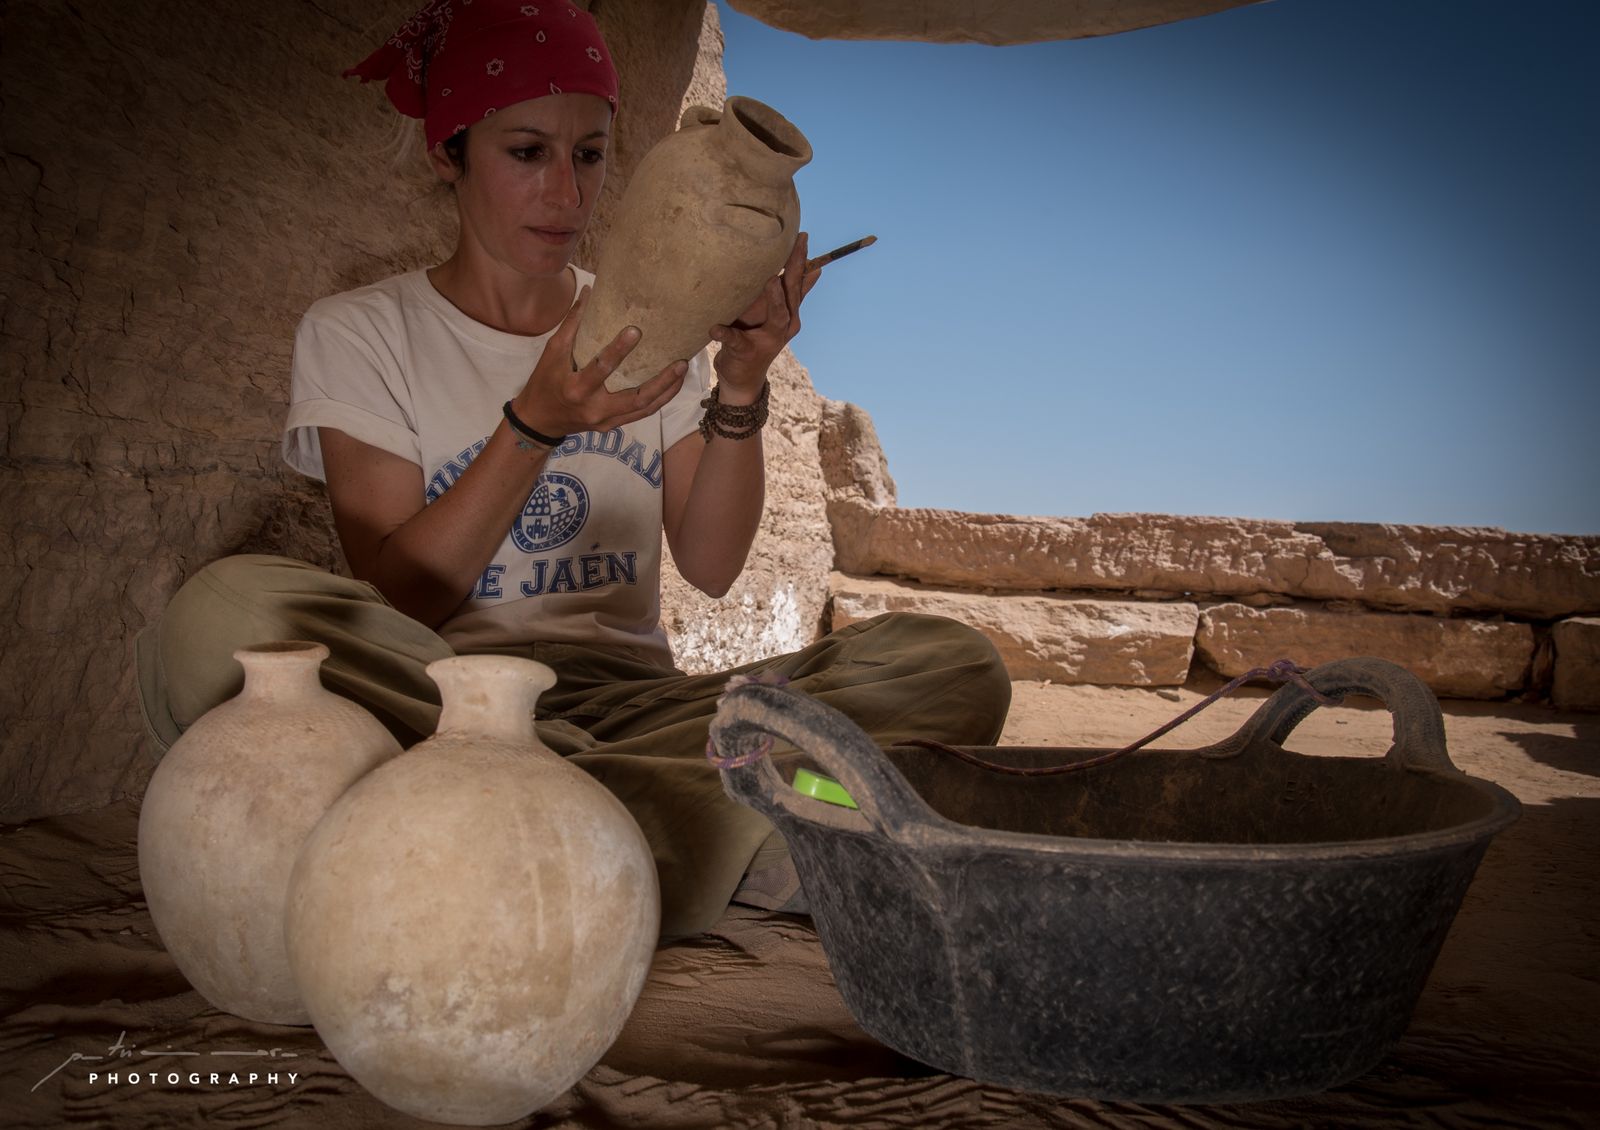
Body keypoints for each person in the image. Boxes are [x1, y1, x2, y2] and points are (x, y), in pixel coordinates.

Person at [135, 0, 1010, 939]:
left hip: (641, 707)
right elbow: (404, 593)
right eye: (526, 153)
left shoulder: (649, 325)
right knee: (222, 618)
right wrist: (534, 424)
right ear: (449, 153)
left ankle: (537, 821)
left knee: (950, 663)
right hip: (442, 696)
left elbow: (711, 566)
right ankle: (698, 820)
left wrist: (743, 378)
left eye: (589, 155)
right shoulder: (361, 333)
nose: (566, 193)